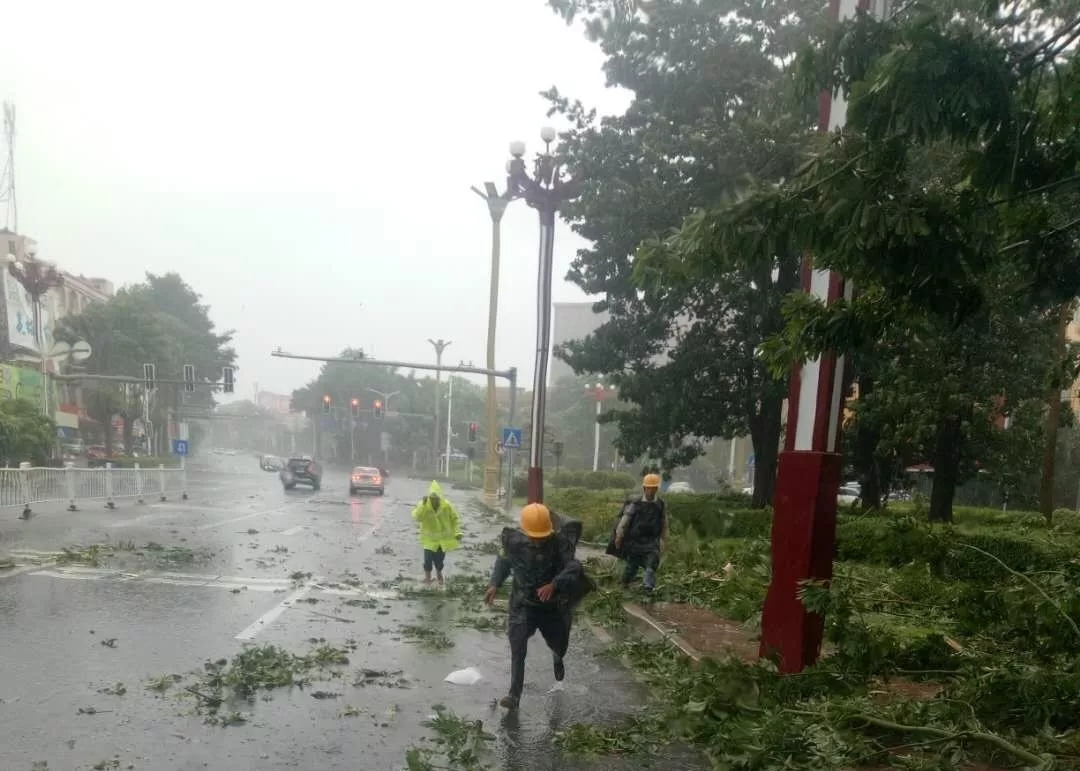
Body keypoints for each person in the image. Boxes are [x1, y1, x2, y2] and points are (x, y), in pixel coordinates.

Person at [484, 503, 591, 710]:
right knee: (517, 646)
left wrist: (555, 584)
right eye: (533, 535)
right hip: (523, 604)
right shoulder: (513, 543)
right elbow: (503, 561)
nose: (537, 540)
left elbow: (575, 566)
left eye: (541, 535)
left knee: (559, 644)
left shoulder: (559, 544)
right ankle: (514, 695)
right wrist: (494, 584)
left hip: (552, 607)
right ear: (524, 530)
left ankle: (557, 658)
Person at [607, 473, 668, 592]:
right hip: (635, 542)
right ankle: (624, 583)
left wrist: (664, 540)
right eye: (649, 488)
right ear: (644, 488)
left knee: (652, 564)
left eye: (654, 488)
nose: (651, 490)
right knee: (631, 567)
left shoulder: (660, 504)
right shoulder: (636, 503)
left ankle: (648, 588)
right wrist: (619, 536)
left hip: (652, 542)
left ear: (657, 488)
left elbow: (664, 523)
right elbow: (624, 520)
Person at [411, 480, 462, 585]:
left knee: (439, 563)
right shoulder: (424, 505)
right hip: (429, 540)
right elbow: (417, 517)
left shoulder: (446, 506)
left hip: (442, 541)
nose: (434, 501)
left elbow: (455, 519)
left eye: (436, 499)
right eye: (432, 499)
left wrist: (457, 532)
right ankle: (428, 579)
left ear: (440, 498)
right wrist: (423, 506)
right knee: (427, 561)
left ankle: (440, 578)